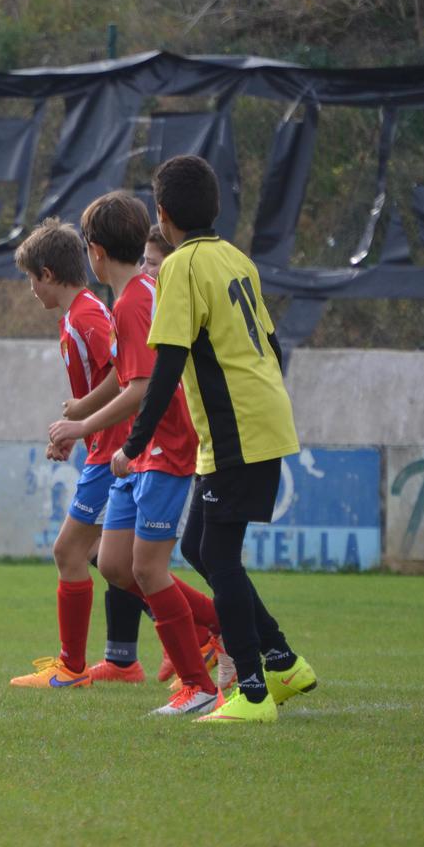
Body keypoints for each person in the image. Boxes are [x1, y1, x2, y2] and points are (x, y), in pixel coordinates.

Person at [112, 155, 318, 723]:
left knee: (220, 555)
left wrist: (133, 445)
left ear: (162, 214)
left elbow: (166, 367)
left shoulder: (180, 266)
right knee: (201, 548)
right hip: (255, 420)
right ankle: (282, 661)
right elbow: (272, 346)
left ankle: (251, 691)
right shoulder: (236, 258)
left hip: (236, 430)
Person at [48, 190, 222, 715]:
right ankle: (220, 628)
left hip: (166, 446)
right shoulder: (134, 295)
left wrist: (82, 425)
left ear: (95, 252)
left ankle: (202, 676)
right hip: (139, 449)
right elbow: (130, 380)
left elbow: (142, 388)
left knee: (147, 569)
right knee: (115, 565)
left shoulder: (131, 303)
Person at [5, 218, 131, 688]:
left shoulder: (86, 317)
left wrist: (80, 413)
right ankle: (203, 633)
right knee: (114, 562)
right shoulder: (78, 315)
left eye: (31, 279)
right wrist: (77, 432)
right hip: (102, 444)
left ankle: (72, 668)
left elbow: (125, 372)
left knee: (70, 551)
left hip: (113, 450)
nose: (31, 289)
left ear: (48, 274)